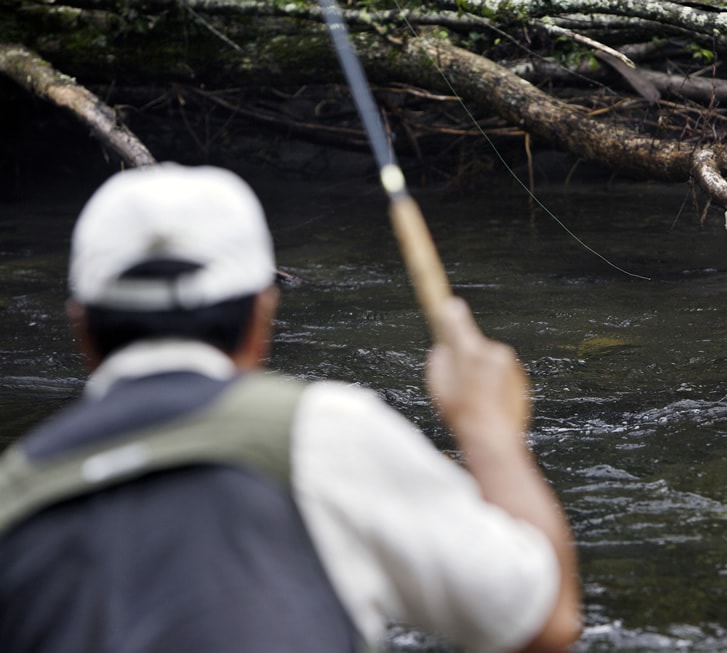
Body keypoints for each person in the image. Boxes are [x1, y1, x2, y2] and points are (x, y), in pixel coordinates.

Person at [0, 163, 581, 652]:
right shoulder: (321, 431)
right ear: (262, 315)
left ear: (82, 329)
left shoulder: (13, 490)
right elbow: (543, 618)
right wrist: (489, 429)